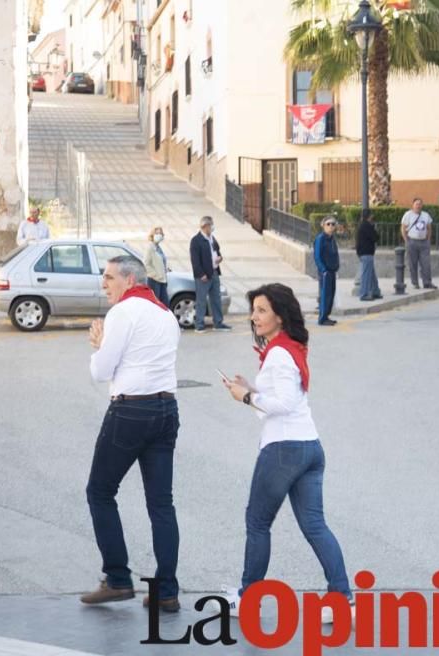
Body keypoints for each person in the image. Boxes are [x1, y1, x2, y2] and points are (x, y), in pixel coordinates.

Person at [215, 283, 352, 622]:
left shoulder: (278, 353)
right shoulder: (289, 348)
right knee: (315, 526)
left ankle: (249, 598)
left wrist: (245, 397)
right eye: (254, 310)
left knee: (257, 522)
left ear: (279, 314)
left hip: (283, 450)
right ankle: (343, 601)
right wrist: (251, 387)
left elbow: (285, 403)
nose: (254, 317)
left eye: (261, 310)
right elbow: (282, 396)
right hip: (309, 446)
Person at [82, 255, 182, 611]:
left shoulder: (122, 313)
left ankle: (118, 578)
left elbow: (101, 371)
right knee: (161, 503)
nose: (104, 284)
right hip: (166, 409)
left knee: (100, 491)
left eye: (109, 277)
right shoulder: (166, 315)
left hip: (130, 410)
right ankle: (167, 591)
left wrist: (99, 345)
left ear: (128, 279)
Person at [189, 216, 231, 332]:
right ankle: (199, 325)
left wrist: (220, 258)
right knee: (201, 301)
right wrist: (201, 274)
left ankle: (218, 323)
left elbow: (217, 251)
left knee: (216, 299)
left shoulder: (212, 238)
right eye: (211, 225)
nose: (212, 227)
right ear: (205, 226)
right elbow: (195, 260)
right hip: (203, 276)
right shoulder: (196, 240)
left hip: (214, 273)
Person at [400, 198, 437, 290]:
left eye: (420, 204)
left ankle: (427, 282)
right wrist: (406, 240)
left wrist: (428, 239)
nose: (418, 206)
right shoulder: (408, 215)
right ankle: (415, 283)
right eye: (416, 204)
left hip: (424, 242)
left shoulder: (426, 215)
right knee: (413, 264)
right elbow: (403, 228)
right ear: (413, 205)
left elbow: (429, 228)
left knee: (426, 263)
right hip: (412, 241)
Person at [313, 216, 340, 325]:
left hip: (332, 270)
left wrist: (336, 266)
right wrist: (323, 269)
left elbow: (335, 254)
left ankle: (327, 316)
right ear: (323, 226)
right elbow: (317, 256)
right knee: (325, 294)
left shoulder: (332, 239)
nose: (331, 226)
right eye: (328, 224)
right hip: (325, 271)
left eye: (333, 224)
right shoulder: (320, 238)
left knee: (331, 294)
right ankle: (322, 318)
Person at [356, 210, 383, 301]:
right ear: (369, 216)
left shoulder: (362, 225)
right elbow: (375, 237)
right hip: (366, 253)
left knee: (371, 274)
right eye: (371, 216)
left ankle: (375, 291)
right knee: (366, 274)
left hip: (364, 253)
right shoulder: (367, 226)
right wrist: (374, 228)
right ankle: (364, 294)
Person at [145, 226, 169, 304]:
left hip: (162, 280)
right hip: (154, 280)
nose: (159, 235)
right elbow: (146, 264)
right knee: (155, 304)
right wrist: (156, 275)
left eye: (160, 233)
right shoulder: (150, 247)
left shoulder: (158, 248)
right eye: (157, 233)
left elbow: (159, 262)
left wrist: (165, 269)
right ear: (152, 235)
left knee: (164, 304)